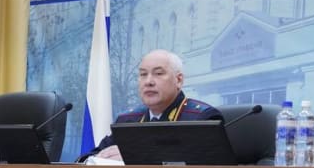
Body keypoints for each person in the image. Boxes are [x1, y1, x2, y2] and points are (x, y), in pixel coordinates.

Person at [79, 49, 222, 162]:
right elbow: (86, 159)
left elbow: (213, 166)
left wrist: (134, 156)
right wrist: (98, 159)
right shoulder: (128, 120)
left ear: (178, 80)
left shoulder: (202, 118)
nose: (148, 82)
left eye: (158, 73)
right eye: (143, 74)